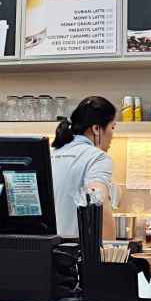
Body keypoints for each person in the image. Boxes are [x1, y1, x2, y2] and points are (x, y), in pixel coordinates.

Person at [51, 96, 117, 239]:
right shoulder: (97, 157)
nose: (113, 135)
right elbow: (98, 202)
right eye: (112, 127)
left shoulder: (51, 153)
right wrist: (110, 249)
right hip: (77, 250)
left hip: (43, 248)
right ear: (96, 129)